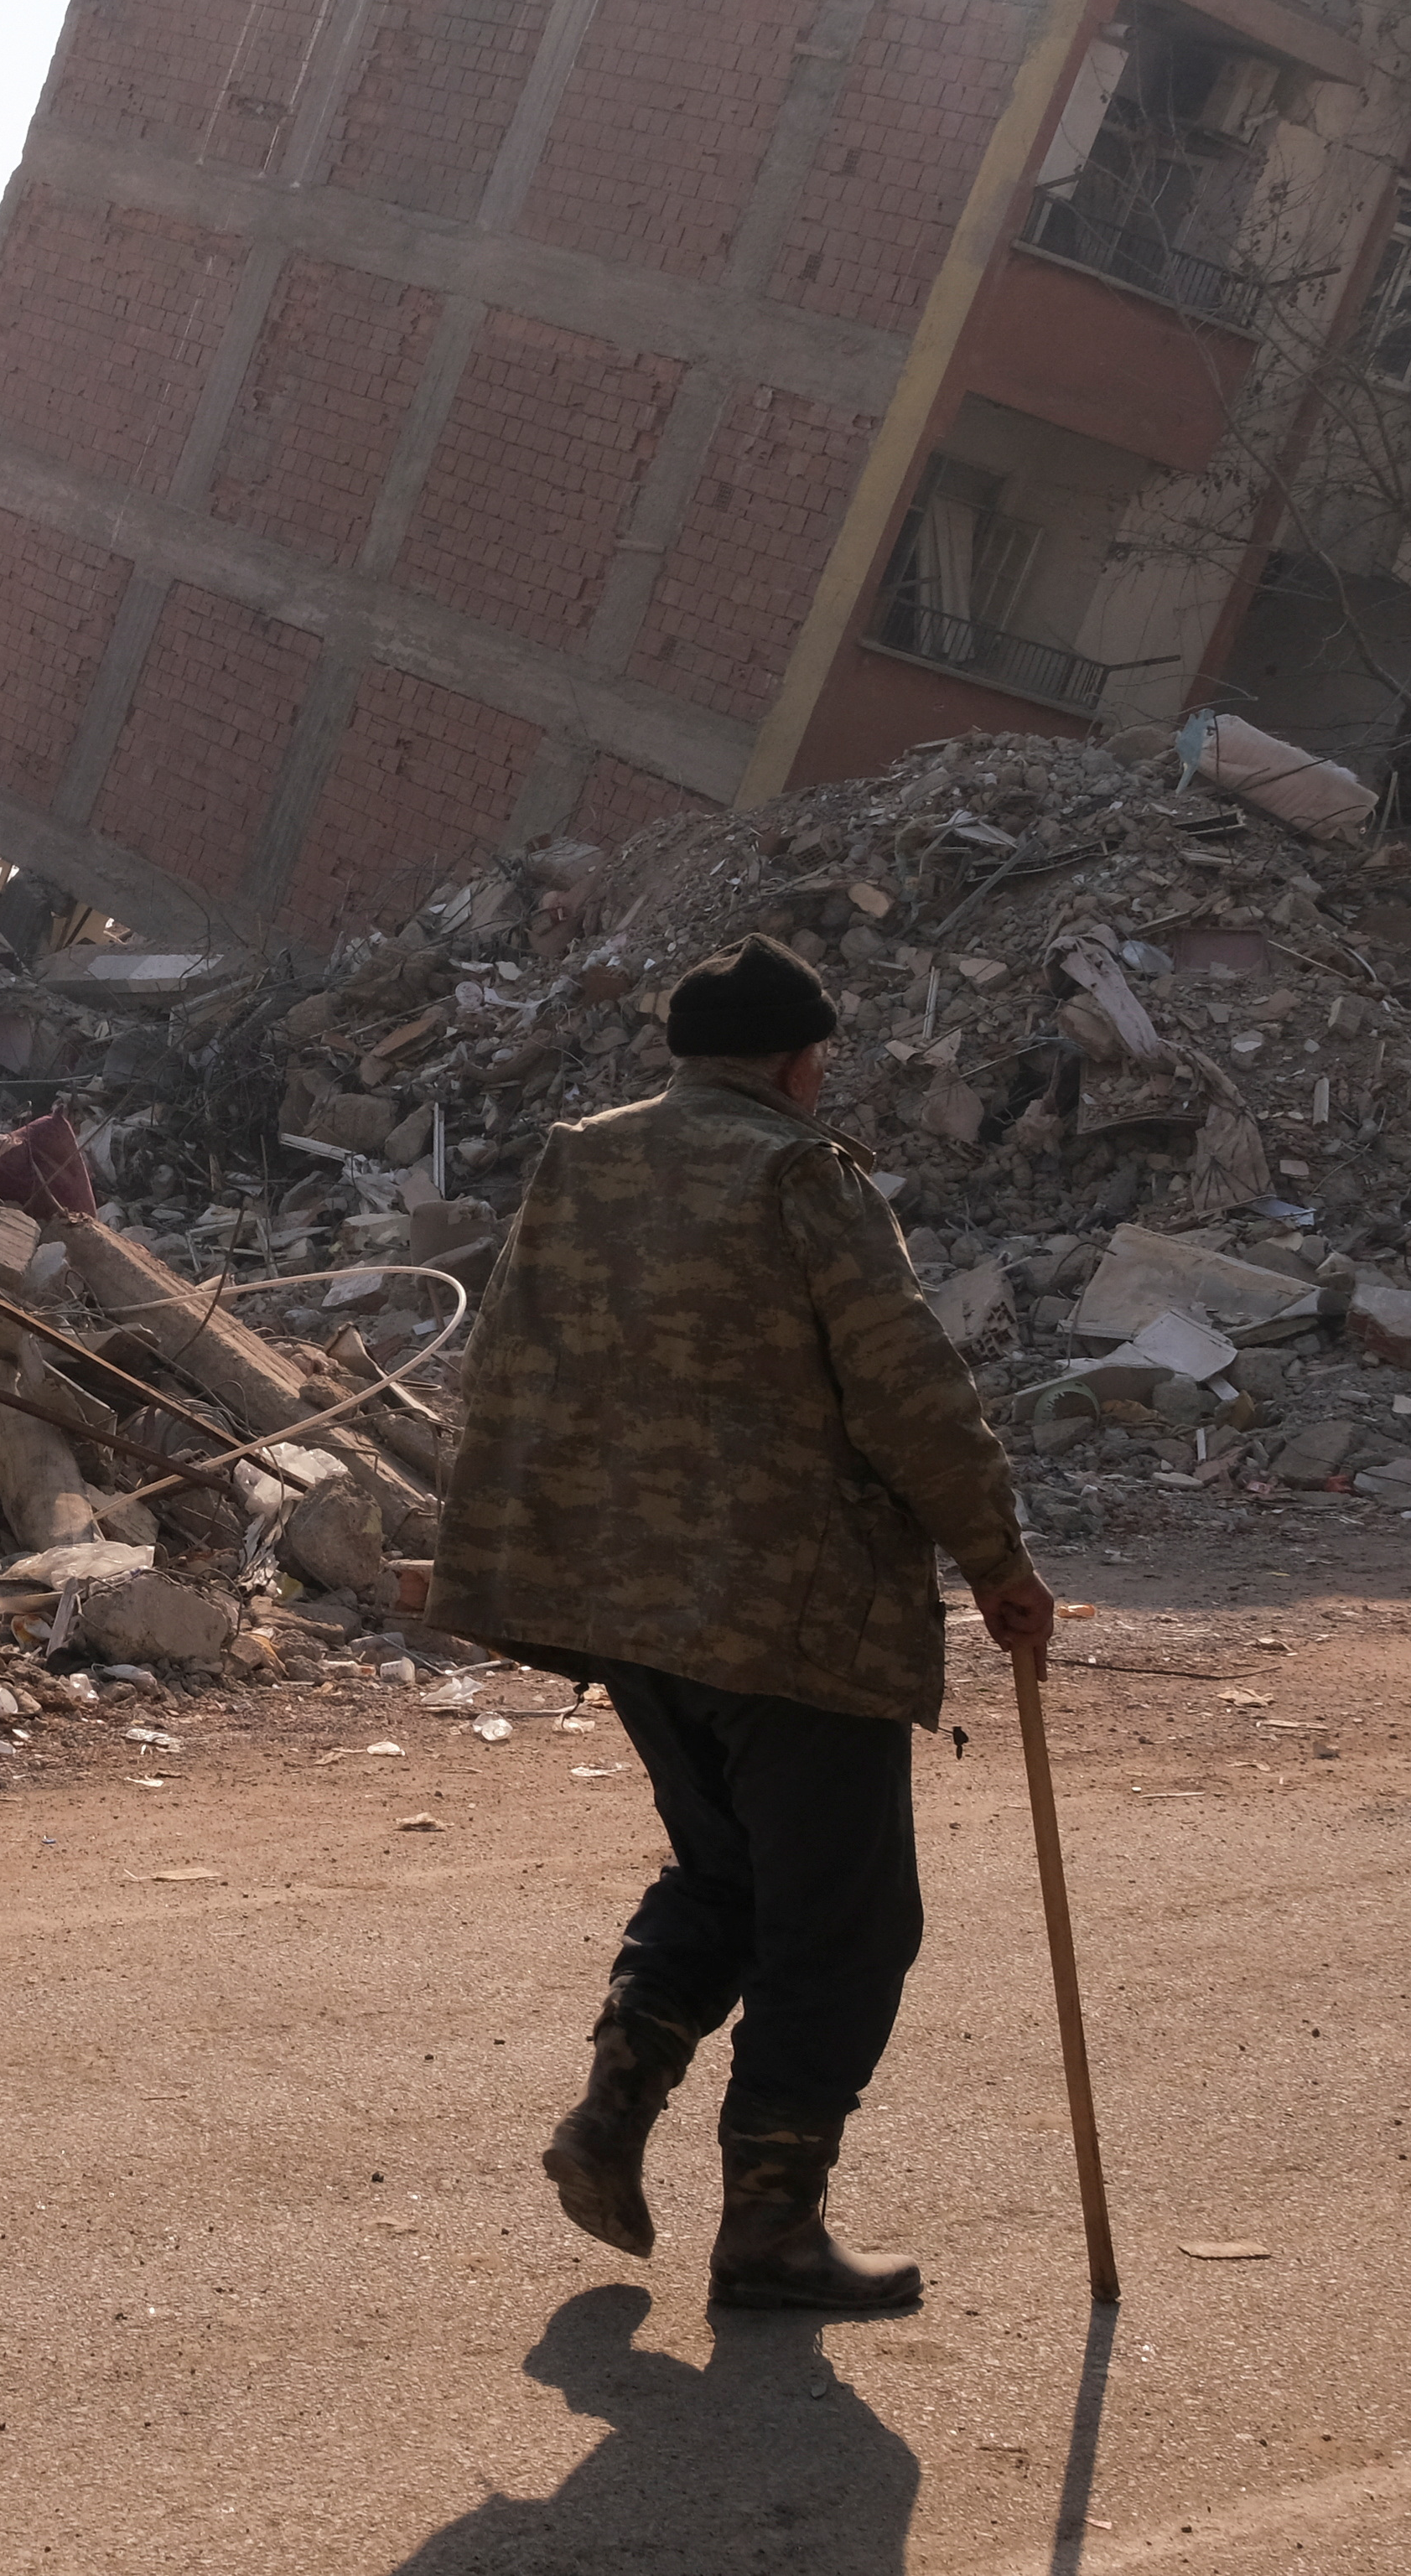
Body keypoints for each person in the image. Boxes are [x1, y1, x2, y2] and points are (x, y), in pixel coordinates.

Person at [430, 933, 1051, 2313]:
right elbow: (904, 1387)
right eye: (820, 1057)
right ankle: (770, 2223)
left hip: (628, 1607)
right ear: (791, 1059)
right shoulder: (794, 1172)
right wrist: (996, 1554)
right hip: (789, 1617)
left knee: (732, 1879)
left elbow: (513, 1361)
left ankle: (611, 2107)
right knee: (846, 1921)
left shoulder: (583, 1158)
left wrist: (526, 1556)